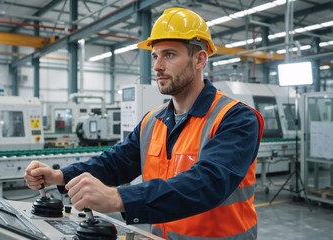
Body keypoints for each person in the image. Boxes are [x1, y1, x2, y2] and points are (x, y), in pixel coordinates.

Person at [24, 7, 264, 240]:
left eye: (169, 54)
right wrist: (59, 176)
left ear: (199, 59)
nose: (157, 66)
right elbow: (115, 163)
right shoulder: (153, 120)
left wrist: (119, 198)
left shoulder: (236, 118)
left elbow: (208, 183)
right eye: (155, 56)